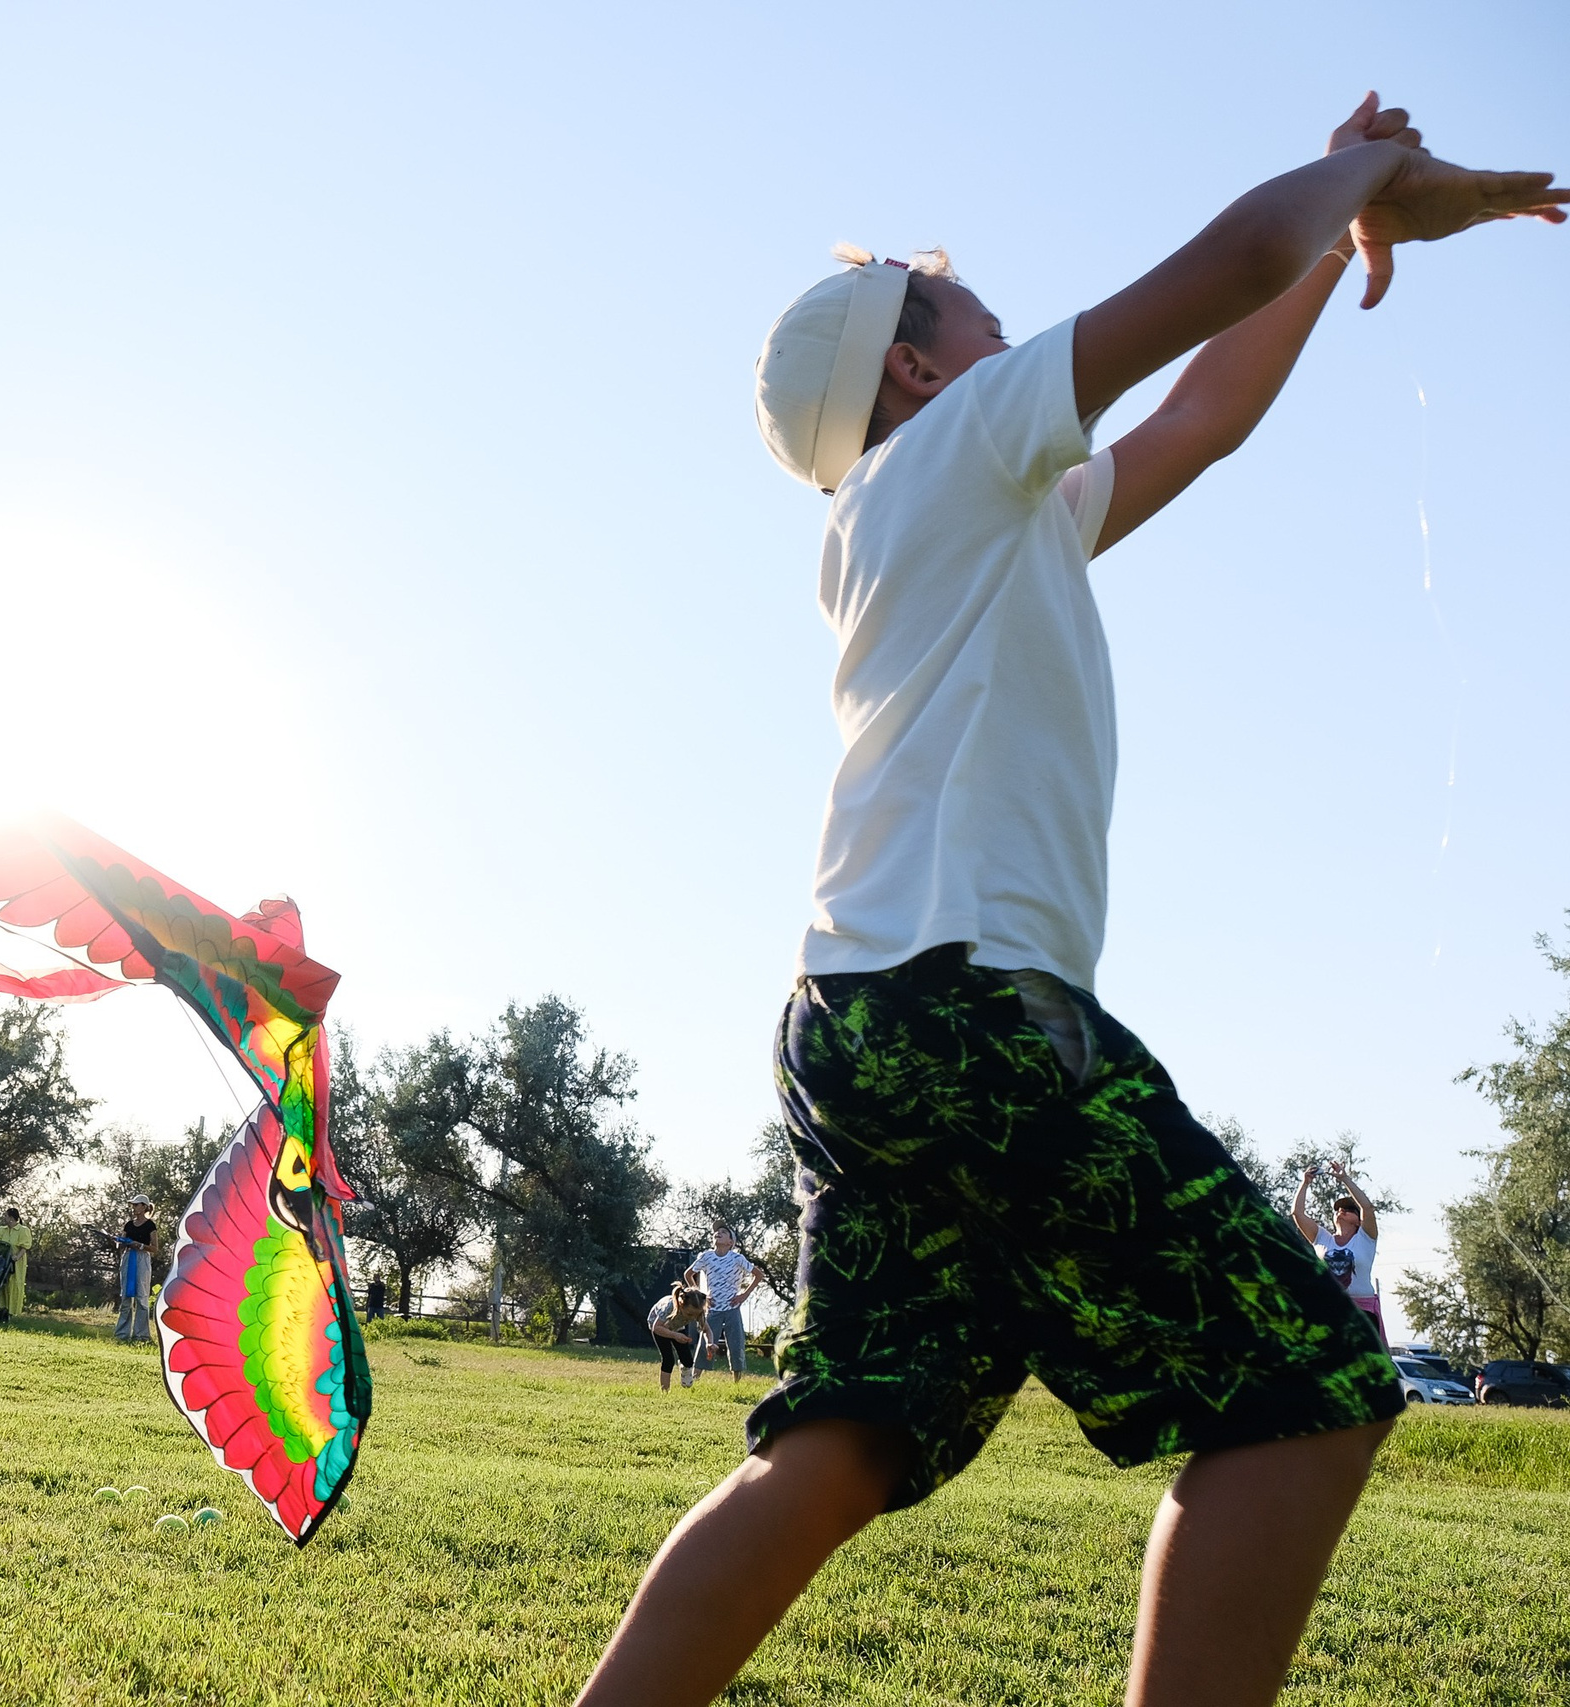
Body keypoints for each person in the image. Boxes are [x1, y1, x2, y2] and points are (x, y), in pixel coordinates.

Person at [569, 96, 1562, 1707]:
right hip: (972, 1006)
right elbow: (1227, 260)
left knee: (845, 1435)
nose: (1009, 321)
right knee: (1305, 1385)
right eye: (973, 310)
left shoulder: (952, 514)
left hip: (860, 1015)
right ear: (914, 366)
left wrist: (1339, 236)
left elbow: (1207, 409)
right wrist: (1379, 179)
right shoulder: (959, 449)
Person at [1293, 1161, 1384, 1345]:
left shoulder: (1366, 1238)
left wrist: (1344, 1178)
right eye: (1338, 1209)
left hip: (1362, 1312)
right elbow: (1297, 1213)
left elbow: (1367, 1208)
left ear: (1358, 1221)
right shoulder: (1322, 1238)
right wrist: (1305, 1183)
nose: (1341, 1211)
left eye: (1349, 1210)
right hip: (1328, 1308)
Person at [686, 1226, 767, 1382]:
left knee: (736, 1345)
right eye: (717, 1232)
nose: (719, 1233)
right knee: (706, 1343)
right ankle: (694, 1379)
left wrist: (744, 1295)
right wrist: (702, 1297)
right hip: (713, 1308)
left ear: (731, 1242)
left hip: (732, 1308)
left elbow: (758, 1275)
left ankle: (736, 1381)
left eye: (724, 1232)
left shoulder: (737, 1259)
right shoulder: (706, 1257)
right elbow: (688, 1274)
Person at [647, 1281, 711, 1393]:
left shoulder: (697, 1312)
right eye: (690, 1315)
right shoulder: (669, 1307)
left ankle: (684, 1369)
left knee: (688, 1360)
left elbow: (707, 1330)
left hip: (677, 1327)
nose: (693, 1318)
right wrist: (675, 1335)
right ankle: (665, 1391)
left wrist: (710, 1343)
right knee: (668, 1360)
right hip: (660, 1328)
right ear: (681, 1305)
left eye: (696, 1315)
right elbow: (656, 1328)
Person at [113, 1196, 157, 1342]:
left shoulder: (150, 1226)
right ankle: (122, 1334)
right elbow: (121, 1243)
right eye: (133, 1205)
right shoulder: (129, 1225)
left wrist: (140, 1245)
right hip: (128, 1258)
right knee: (125, 1296)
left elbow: (155, 1248)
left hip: (142, 1259)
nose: (134, 1208)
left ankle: (141, 1335)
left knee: (142, 1297)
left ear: (144, 1207)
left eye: (136, 1205)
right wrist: (120, 1242)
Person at [0, 1205, 33, 1320]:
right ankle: (0, 1310)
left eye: (6, 1215)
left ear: (11, 1218)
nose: (4, 1218)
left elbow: (24, 1247)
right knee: (0, 1283)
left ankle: (13, 1312)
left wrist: (17, 1257)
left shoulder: (23, 1230)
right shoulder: (1, 1230)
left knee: (14, 1285)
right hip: (2, 1261)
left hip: (16, 1262)